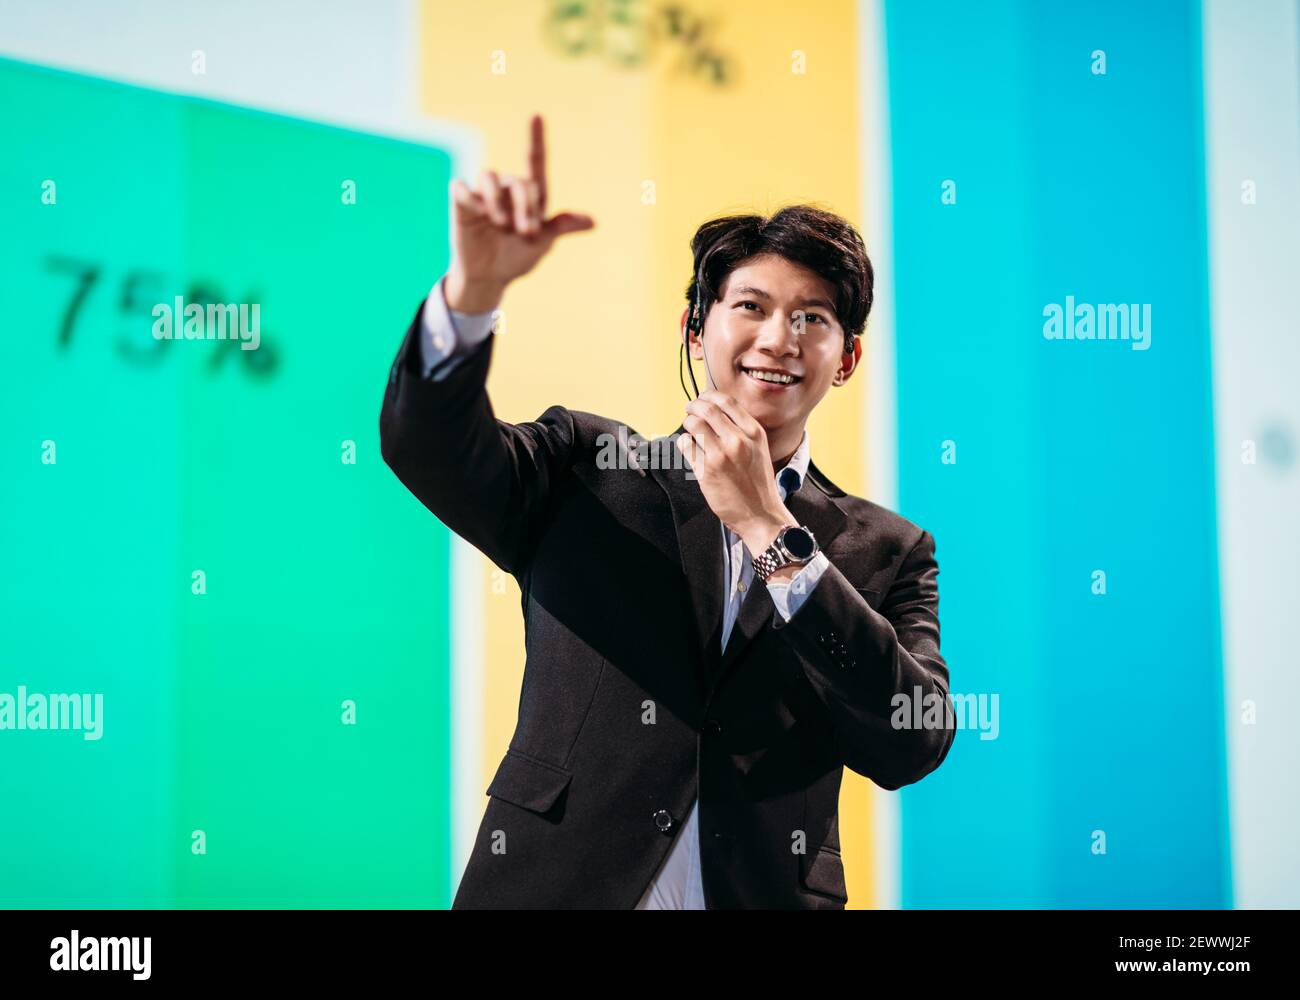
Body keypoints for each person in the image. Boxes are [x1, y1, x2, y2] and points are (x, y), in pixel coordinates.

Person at [379, 113, 955, 909]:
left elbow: (912, 739)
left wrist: (770, 532)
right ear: (695, 329)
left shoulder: (888, 551)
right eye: (749, 306)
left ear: (847, 357)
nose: (778, 338)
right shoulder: (583, 469)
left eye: (812, 317)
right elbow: (428, 444)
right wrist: (473, 295)